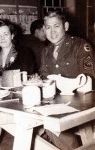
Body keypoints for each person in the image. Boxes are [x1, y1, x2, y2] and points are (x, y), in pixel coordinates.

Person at [40, 11, 95, 149]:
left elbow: (90, 78)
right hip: (56, 103)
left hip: (81, 102)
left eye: (56, 26)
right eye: (48, 27)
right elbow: (45, 77)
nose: (52, 31)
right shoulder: (46, 51)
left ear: (66, 26)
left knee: (52, 123)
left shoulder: (80, 46)